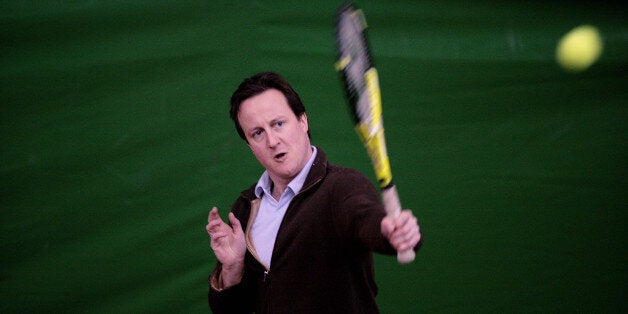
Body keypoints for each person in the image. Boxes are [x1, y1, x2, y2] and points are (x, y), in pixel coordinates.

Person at [205, 72, 422, 313]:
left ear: (302, 121)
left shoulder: (342, 187)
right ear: (249, 145)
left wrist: (389, 232)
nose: (272, 140)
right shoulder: (245, 208)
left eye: (278, 124)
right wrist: (232, 269)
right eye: (258, 133)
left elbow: (365, 219)